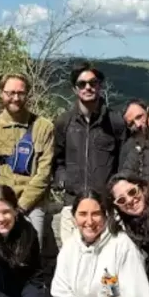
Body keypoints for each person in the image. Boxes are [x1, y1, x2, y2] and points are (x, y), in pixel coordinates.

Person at [52, 62, 128, 239]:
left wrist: (115, 189)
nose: (88, 87)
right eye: (82, 84)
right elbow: (57, 160)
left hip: (105, 205)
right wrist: (64, 181)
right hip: (72, 204)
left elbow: (124, 160)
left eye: (93, 83)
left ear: (99, 86)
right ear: (75, 89)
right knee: (72, 261)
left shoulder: (115, 122)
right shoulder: (64, 122)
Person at [0, 74, 55, 238]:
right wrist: (5, 205)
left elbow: (44, 173)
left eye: (20, 93)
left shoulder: (44, 127)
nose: (15, 98)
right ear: (1, 93)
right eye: (10, 93)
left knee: (32, 246)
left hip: (33, 204)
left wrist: (21, 206)